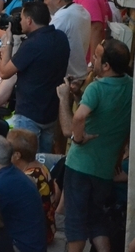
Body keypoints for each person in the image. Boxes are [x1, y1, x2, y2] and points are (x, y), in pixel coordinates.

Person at [58, 39, 132, 252]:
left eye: (97, 57)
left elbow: (77, 120)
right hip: (105, 169)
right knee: (96, 219)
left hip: (80, 166)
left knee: (76, 224)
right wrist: (78, 95)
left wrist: (78, 137)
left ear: (106, 66)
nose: (92, 61)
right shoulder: (130, 85)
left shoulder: (97, 87)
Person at [0, 1, 68, 153]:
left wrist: (8, 41)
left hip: (29, 113)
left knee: (25, 159)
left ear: (29, 20)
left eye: (22, 18)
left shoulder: (32, 44)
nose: (20, 22)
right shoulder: (61, 37)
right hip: (51, 112)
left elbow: (4, 73)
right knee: (43, 160)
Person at [41, 0, 91, 80]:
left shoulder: (63, 15)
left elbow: (44, 43)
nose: (44, 3)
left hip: (67, 78)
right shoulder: (82, 10)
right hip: (79, 73)